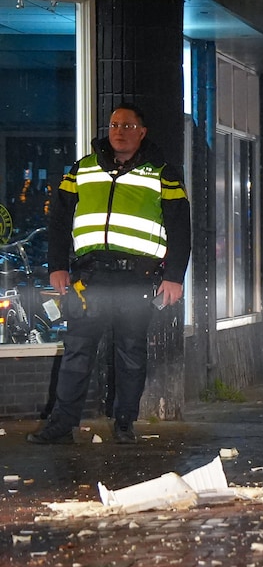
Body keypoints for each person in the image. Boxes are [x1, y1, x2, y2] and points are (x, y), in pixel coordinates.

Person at [28, 103, 191, 445]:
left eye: (127, 126)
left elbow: (180, 227)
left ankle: (124, 424)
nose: (118, 131)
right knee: (77, 351)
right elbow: (58, 220)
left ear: (142, 132)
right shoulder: (82, 170)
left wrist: (174, 275)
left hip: (137, 277)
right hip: (91, 278)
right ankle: (61, 424)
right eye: (115, 124)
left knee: (131, 353)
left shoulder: (163, 172)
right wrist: (57, 266)